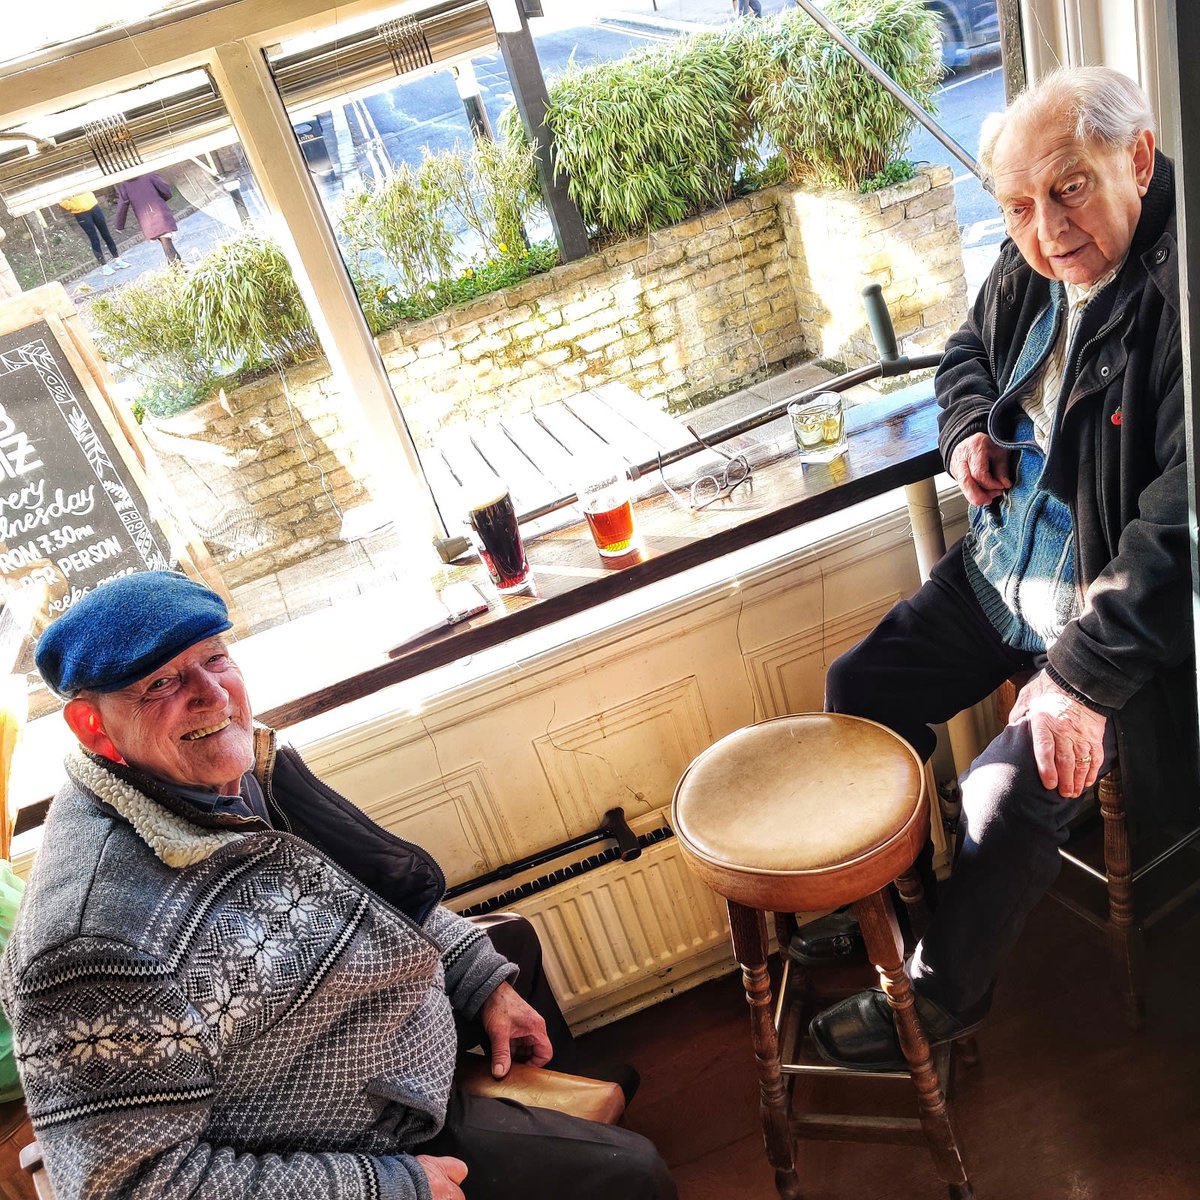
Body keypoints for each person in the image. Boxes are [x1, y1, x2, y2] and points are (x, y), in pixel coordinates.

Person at [0, 571, 675, 1200]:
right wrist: (385, 1185)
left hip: (379, 1030)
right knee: (633, 1174)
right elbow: (127, 1186)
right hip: (354, 1133)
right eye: (161, 684)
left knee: (505, 951)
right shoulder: (90, 947)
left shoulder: (230, 770)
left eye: (215, 658)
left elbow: (369, 883)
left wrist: (473, 975)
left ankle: (571, 1111)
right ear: (93, 726)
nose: (210, 695)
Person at [809, 65, 1196, 1069]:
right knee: (860, 690)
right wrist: (965, 431)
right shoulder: (1037, 257)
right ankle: (914, 910)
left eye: (1069, 186)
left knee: (1001, 788)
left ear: (1138, 159)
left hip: (1099, 615)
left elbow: (1180, 522)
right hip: (1002, 571)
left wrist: (1075, 678)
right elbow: (963, 352)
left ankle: (939, 996)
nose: (1045, 225)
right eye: (1018, 206)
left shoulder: (1178, 293)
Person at [115, 172, 182, 263]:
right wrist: (163, 198)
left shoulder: (125, 186)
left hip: (146, 221)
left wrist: (119, 225)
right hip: (160, 214)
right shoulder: (149, 175)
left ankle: (177, 268)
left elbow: (122, 206)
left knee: (166, 244)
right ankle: (178, 268)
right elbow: (165, 190)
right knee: (167, 244)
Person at [58, 192, 130, 275]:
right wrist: (74, 206)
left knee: (106, 234)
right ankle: (104, 266)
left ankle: (118, 260)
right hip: (81, 213)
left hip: (94, 207)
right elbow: (61, 201)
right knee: (94, 239)